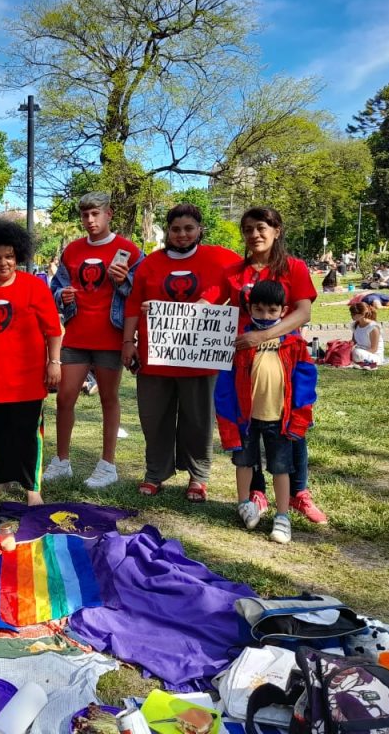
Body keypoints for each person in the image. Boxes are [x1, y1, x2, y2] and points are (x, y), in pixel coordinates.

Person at [122, 203, 241, 502]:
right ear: (168, 231)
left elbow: (248, 283)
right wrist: (128, 342)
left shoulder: (221, 258)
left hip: (199, 357)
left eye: (189, 228)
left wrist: (220, 313)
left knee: (198, 419)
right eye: (176, 229)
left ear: (200, 229)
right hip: (155, 355)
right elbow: (134, 304)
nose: (182, 235)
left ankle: (198, 477)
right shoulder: (150, 264)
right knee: (154, 417)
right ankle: (155, 473)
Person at [220, 206, 327, 525]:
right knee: (248, 423)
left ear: (277, 230)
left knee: (291, 426)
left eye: (262, 227)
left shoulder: (293, 267)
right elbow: (218, 307)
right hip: (245, 361)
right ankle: (256, 492)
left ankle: (298, 493)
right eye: (248, 229)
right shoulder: (234, 273)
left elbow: (303, 312)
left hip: (285, 358)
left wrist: (263, 335)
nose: (254, 234)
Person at [0, 218, 62, 506]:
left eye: (9, 257)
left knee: (27, 434)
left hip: (27, 380)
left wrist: (54, 362)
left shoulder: (34, 287)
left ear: (18, 256)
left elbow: (53, 330)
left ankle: (32, 487)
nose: (3, 263)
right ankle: (3, 479)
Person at [45, 191, 143, 488]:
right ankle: (62, 461)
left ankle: (107, 465)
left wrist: (123, 279)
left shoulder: (129, 250)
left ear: (109, 214)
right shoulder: (72, 250)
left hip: (111, 337)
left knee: (108, 399)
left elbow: (140, 293)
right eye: (85, 215)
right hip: (76, 335)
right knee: (65, 397)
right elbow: (55, 287)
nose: (89, 220)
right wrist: (61, 295)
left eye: (95, 214)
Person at [215, 280, 317, 545]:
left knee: (281, 468)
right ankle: (244, 504)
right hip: (245, 419)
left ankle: (282, 516)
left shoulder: (293, 343)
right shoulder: (240, 341)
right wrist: (227, 419)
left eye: (272, 311)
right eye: (259, 310)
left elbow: (306, 381)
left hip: (279, 419)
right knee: (243, 462)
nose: (265, 316)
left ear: (283, 311)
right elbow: (225, 382)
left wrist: (301, 417)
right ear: (250, 309)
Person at [350, 302, 385, 367]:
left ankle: (362, 361)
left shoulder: (373, 327)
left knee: (356, 353)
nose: (352, 315)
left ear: (362, 314)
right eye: (351, 313)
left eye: (354, 314)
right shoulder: (355, 325)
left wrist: (357, 352)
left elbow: (374, 349)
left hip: (373, 355)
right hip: (359, 352)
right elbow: (352, 342)